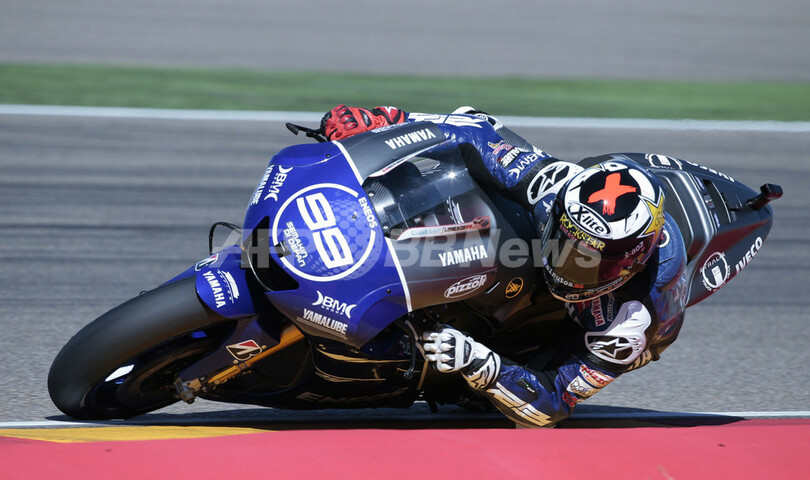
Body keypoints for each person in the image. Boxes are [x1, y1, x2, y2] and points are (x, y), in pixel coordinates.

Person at [320, 105, 688, 428]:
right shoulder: (553, 188)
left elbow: (553, 405)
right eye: (565, 243)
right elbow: (472, 128)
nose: (568, 266)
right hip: (538, 244)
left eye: (591, 264)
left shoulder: (628, 323)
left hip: (579, 332)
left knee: (496, 388)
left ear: (631, 264)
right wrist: (385, 120)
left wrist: (480, 363)